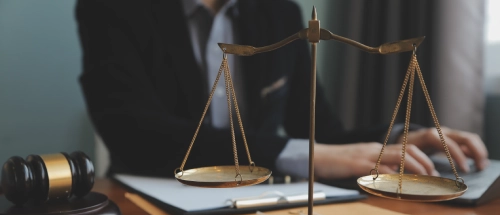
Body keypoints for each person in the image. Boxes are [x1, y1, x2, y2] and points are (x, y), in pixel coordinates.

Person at [75, 0, 488, 181]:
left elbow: (321, 134)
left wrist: (401, 136)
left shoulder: (279, 14)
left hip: (263, 204)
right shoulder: (111, 8)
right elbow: (133, 133)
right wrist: (302, 156)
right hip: (151, 203)